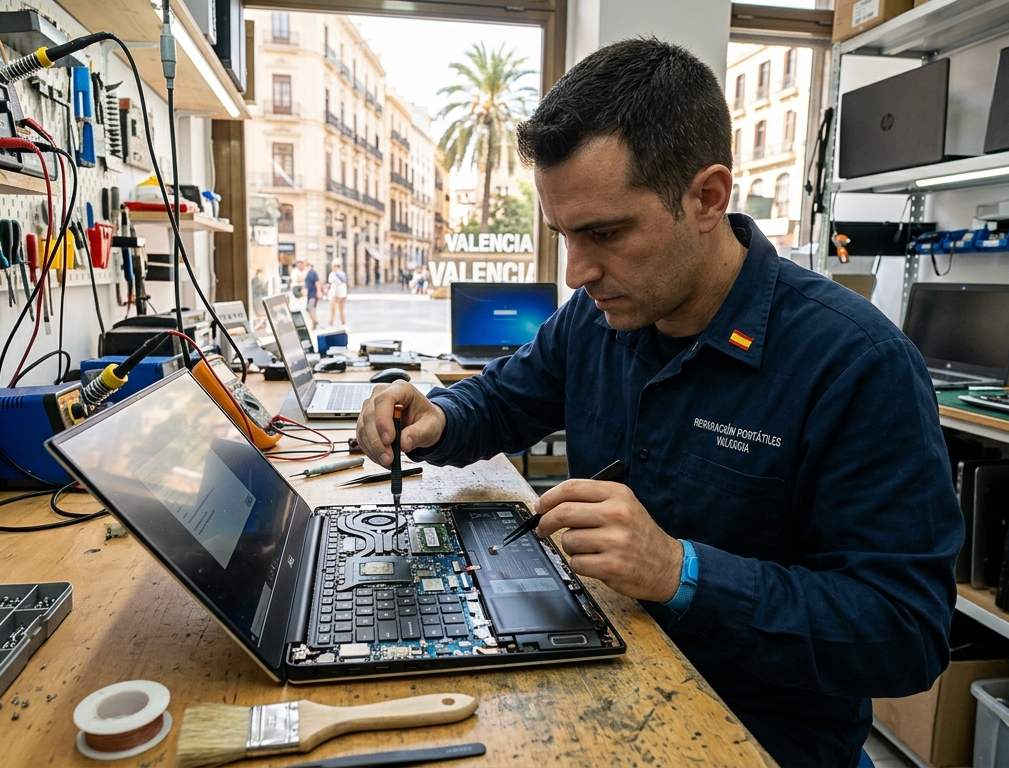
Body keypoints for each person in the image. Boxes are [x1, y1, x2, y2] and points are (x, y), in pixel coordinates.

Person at [357, 39, 962, 768]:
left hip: (755, 736)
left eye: (605, 233)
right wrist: (436, 414)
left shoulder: (856, 365)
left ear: (707, 197)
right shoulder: (599, 317)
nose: (578, 272)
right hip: (604, 678)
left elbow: (905, 634)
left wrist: (681, 572)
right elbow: (508, 396)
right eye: (564, 236)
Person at [327, 259, 348, 327]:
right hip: (339, 292)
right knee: (339, 308)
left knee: (335, 308)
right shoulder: (341, 273)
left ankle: (333, 322)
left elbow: (331, 283)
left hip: (337, 292)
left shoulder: (334, 274)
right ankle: (340, 322)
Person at [304, 261, 321, 328]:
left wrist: (318, 292)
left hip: (312, 294)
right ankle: (314, 322)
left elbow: (317, 282)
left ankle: (315, 323)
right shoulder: (308, 273)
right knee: (310, 309)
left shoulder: (312, 273)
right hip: (310, 293)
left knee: (310, 308)